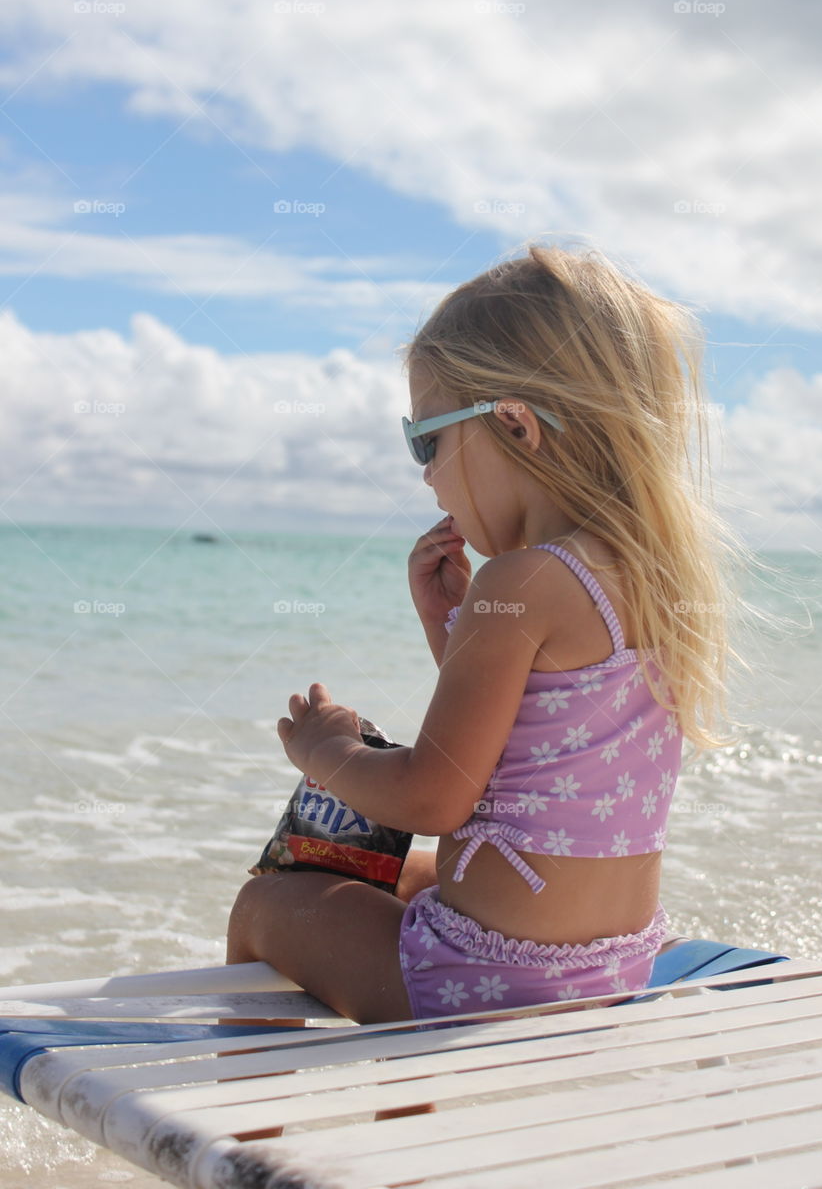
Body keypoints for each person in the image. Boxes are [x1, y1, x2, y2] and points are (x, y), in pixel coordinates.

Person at [227, 243, 740, 1029]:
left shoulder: (521, 579)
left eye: (424, 438)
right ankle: (409, 1127)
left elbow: (434, 794)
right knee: (394, 877)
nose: (424, 472)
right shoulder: (655, 576)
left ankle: (250, 1145)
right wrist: (452, 633)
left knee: (267, 903)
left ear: (513, 424)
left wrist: (328, 754)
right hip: (611, 964)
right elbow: (526, 752)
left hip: (490, 978)